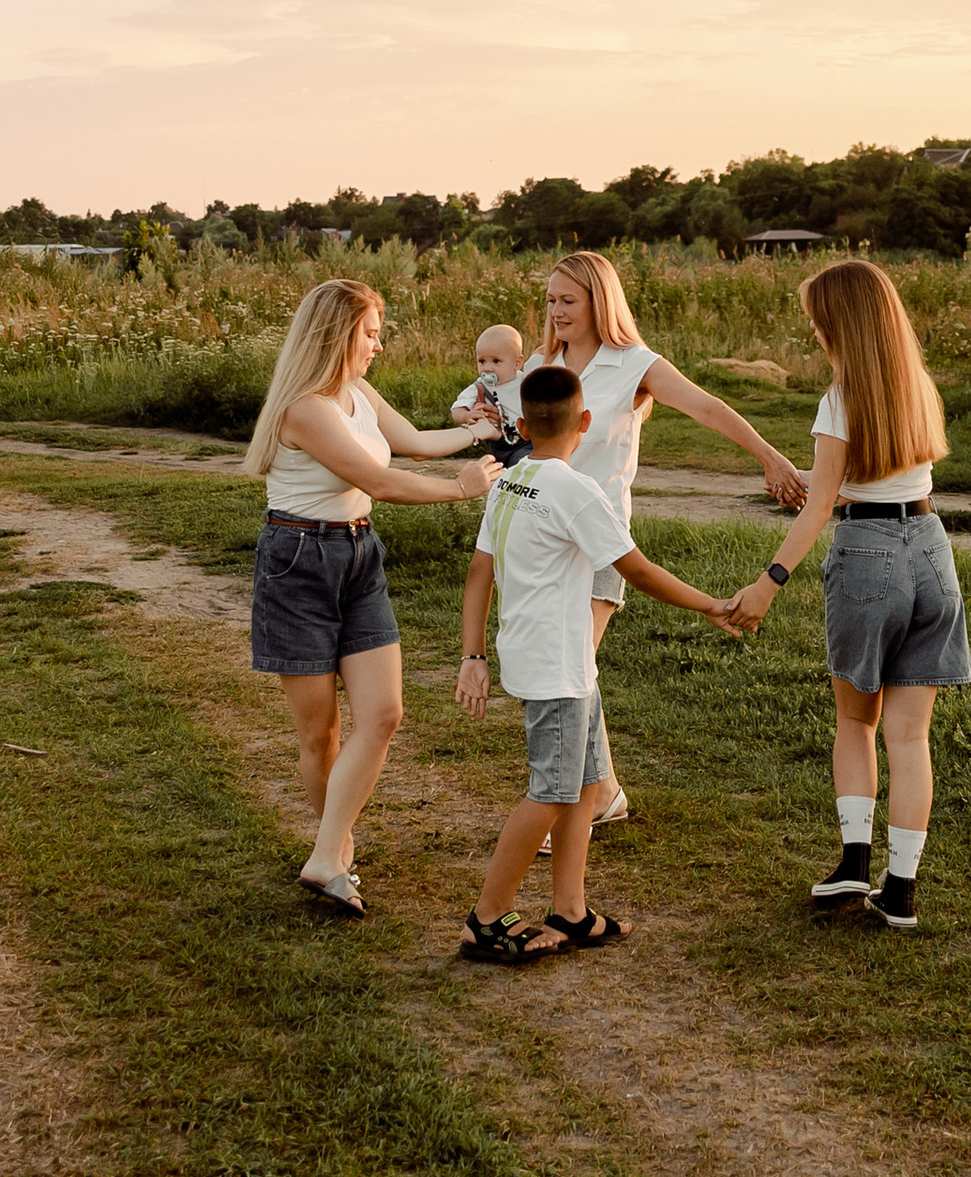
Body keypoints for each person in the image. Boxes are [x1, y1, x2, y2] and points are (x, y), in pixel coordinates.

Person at [453, 365, 742, 963]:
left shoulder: (509, 480)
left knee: (583, 782)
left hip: (556, 656)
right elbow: (635, 570)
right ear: (584, 422)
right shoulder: (574, 490)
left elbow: (479, 573)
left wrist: (472, 655)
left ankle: (571, 911)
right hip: (558, 665)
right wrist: (711, 605)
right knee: (551, 791)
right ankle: (484, 919)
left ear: (524, 426)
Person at [241, 276, 502, 920]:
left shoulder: (356, 393)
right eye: (370, 334)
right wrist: (462, 490)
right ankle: (333, 853)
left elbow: (412, 441)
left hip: (358, 555)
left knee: (384, 714)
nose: (377, 347)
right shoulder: (305, 408)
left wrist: (478, 432)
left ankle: (328, 855)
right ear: (339, 335)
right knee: (320, 731)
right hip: (299, 560)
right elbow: (381, 480)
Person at [527, 250, 808, 828]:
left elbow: (706, 407)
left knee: (572, 666)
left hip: (600, 540)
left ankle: (570, 803)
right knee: (568, 667)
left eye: (567, 301)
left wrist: (770, 457)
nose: (555, 311)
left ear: (599, 303)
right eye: (551, 300)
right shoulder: (540, 361)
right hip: (540, 540)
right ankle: (601, 791)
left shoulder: (635, 364)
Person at [730, 259, 966, 933]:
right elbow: (870, 474)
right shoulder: (916, 385)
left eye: (818, 318)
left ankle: (855, 860)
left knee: (856, 722)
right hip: (930, 548)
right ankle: (901, 893)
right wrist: (810, 478)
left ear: (843, 323)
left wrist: (768, 581)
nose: (812, 328)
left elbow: (822, 506)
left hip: (866, 554)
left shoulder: (839, 397)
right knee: (911, 735)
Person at [448, 321, 532, 467]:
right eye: (482, 361)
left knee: (521, 462)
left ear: (517, 363)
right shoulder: (480, 386)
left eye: (496, 361)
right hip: (498, 443)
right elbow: (457, 409)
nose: (488, 368)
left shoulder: (526, 381)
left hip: (526, 441)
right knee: (500, 468)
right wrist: (467, 416)